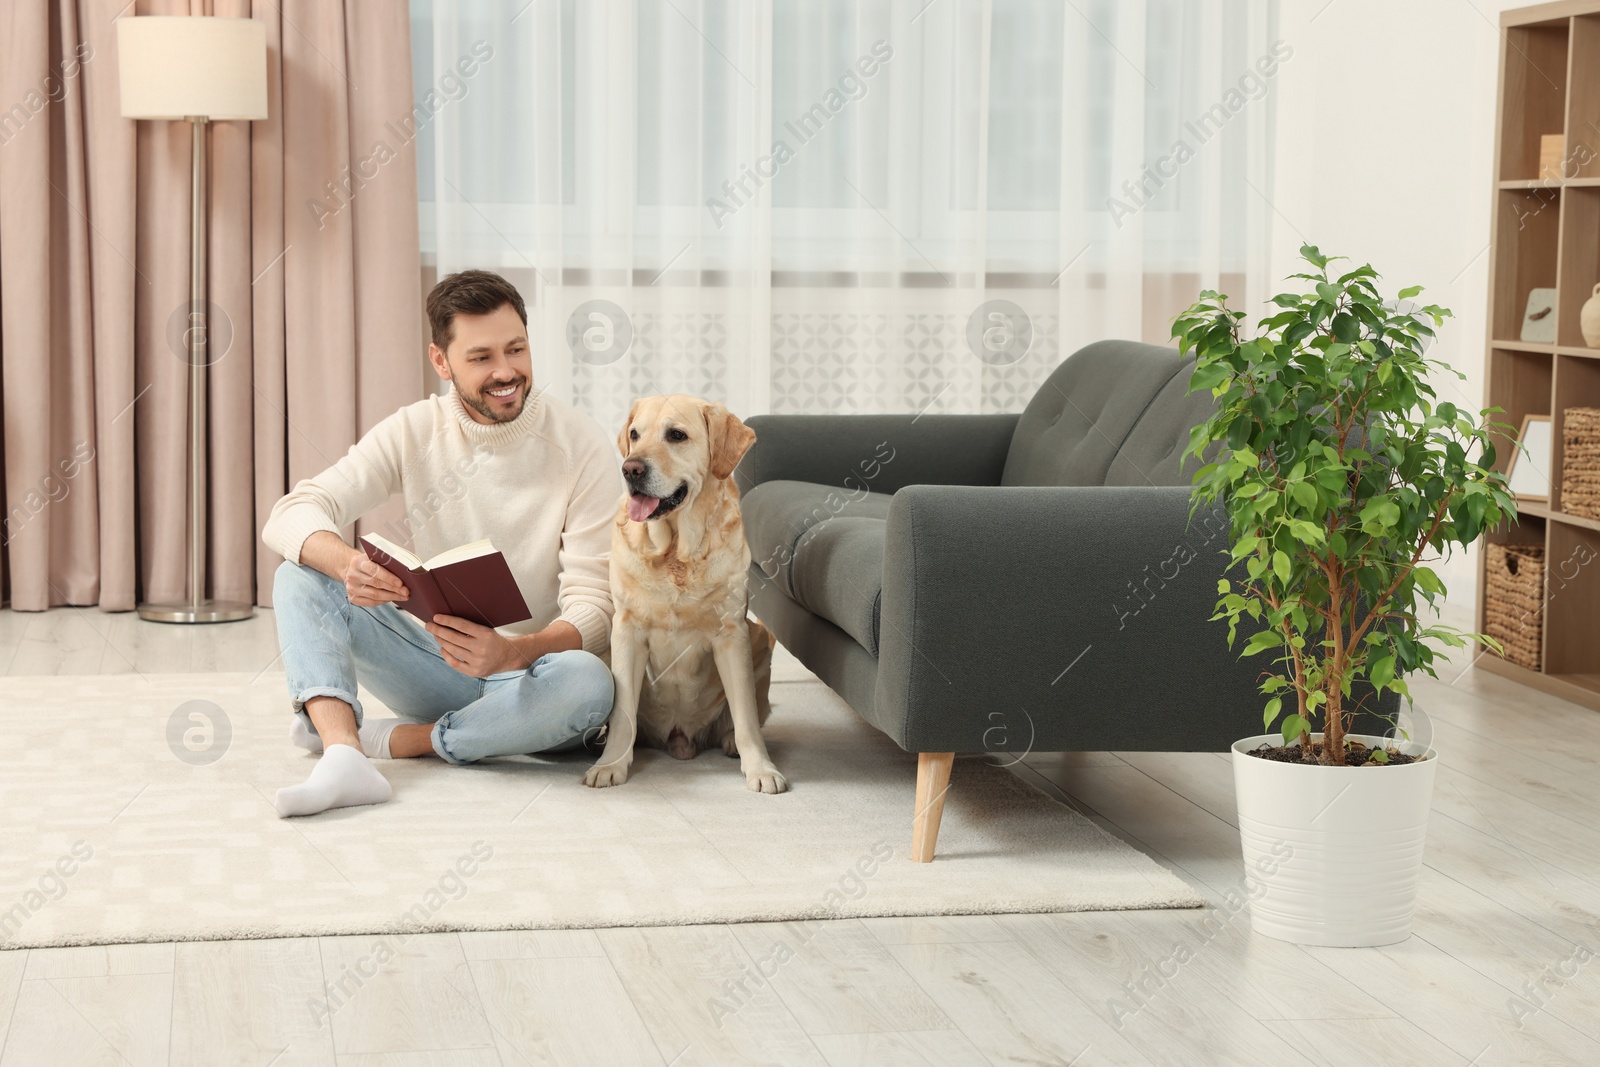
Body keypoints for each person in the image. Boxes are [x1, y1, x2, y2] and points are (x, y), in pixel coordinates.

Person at [262, 270, 620, 817]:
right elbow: (291, 512)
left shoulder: (581, 443)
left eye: (517, 349)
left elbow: (597, 605)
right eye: (481, 358)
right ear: (441, 361)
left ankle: (399, 741)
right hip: (437, 663)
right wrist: (348, 564)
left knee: (591, 683)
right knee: (300, 573)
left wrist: (513, 651)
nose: (506, 372)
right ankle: (341, 756)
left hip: (536, 682)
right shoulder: (413, 430)